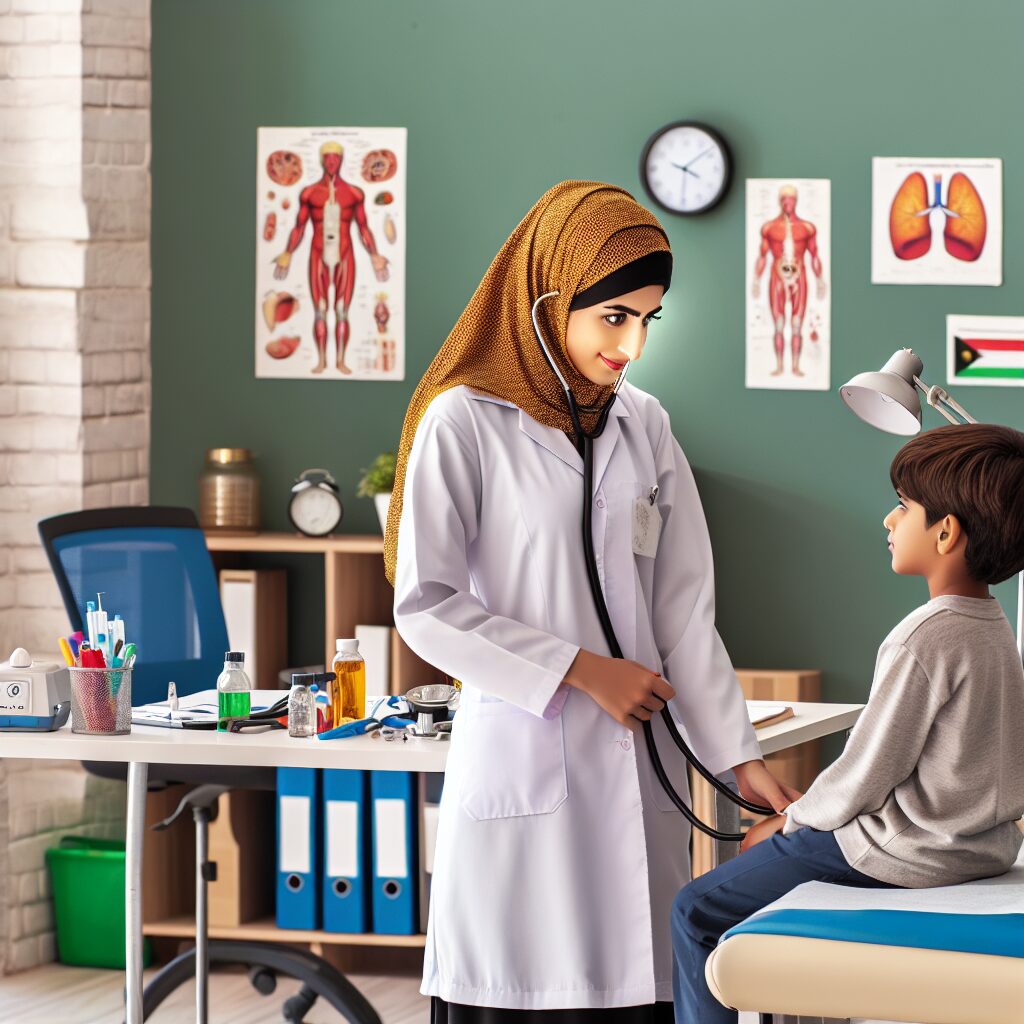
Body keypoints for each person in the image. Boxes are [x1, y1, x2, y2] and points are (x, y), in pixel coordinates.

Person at [387, 181, 798, 1023]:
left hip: (642, 770)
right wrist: (578, 670)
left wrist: (737, 758)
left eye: (650, 319)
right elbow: (425, 603)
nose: (634, 344)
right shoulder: (462, 422)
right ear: (546, 300)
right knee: (519, 994)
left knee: (640, 992)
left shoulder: (644, 424)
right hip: (524, 766)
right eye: (615, 317)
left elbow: (684, 609)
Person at [671, 423, 1024, 1024]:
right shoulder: (993, 628)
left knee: (695, 909)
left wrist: (790, 821)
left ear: (946, 531)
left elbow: (868, 770)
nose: (889, 522)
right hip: (977, 849)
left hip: (905, 853)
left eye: (903, 507)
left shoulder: (925, 635)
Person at [273, 141, 389, 375]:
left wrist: (375, 255)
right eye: (328, 158)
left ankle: (340, 360)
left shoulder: (354, 193)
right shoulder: (309, 194)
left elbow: (364, 228)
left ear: (342, 160)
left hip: (345, 256)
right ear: (322, 160)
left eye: (336, 158)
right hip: (318, 256)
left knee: (342, 311)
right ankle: (322, 361)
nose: (332, 162)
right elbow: (299, 227)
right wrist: (287, 253)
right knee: (320, 311)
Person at [750, 185, 826, 378]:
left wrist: (820, 280)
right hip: (777, 277)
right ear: (779, 200)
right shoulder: (770, 228)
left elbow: (815, 255)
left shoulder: (807, 228)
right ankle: (779, 366)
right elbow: (762, 255)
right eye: (784, 198)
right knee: (778, 324)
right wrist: (757, 280)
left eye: (791, 199)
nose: (787, 203)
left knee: (797, 323)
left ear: (796, 200)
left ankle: (794, 367)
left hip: (800, 276)